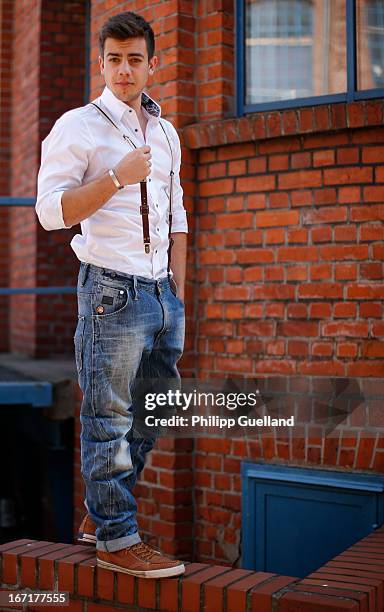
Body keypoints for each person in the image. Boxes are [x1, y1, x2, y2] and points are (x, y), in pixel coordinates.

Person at [36, 11, 187, 579]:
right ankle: (118, 539)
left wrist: (179, 291)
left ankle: (99, 519)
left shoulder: (166, 132)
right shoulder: (78, 126)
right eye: (114, 59)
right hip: (111, 291)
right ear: (101, 64)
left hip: (161, 293)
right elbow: (51, 212)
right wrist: (117, 177)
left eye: (135, 59)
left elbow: (178, 212)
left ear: (153, 64)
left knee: (154, 409)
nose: (125, 70)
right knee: (108, 415)